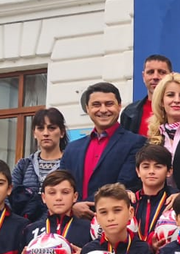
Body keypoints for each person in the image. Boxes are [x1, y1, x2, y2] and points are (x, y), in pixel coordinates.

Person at [61, 82, 146, 218]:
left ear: (119, 106)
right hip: (73, 222)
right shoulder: (72, 148)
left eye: (109, 104)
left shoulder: (136, 143)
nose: (103, 109)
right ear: (87, 108)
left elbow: (125, 184)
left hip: (113, 220)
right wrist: (72, 206)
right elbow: (62, 185)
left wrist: (85, 205)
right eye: (96, 105)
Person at [11, 107, 69, 222]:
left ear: (62, 132)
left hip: (61, 226)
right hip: (26, 226)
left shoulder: (71, 163)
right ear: (34, 133)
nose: (46, 133)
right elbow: (10, 195)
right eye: (40, 128)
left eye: (51, 128)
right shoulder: (24, 165)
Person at [121, 54, 173, 136]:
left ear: (171, 76)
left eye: (162, 72)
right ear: (143, 76)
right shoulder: (129, 113)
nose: (155, 77)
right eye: (150, 72)